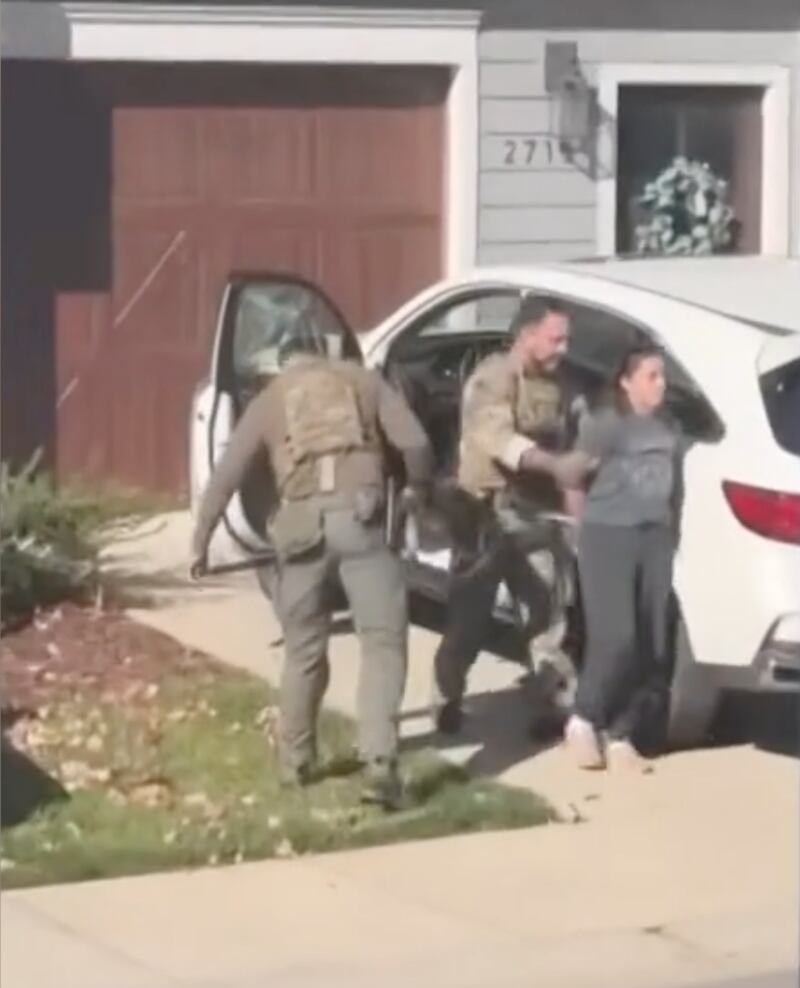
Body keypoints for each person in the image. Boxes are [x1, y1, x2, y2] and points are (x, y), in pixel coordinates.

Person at [191, 326, 434, 809]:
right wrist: (416, 491)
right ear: (325, 350)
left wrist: (201, 541)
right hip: (361, 522)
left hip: (300, 529)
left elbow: (228, 473)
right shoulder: (363, 381)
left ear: (283, 361)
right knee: (382, 643)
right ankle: (380, 765)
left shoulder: (271, 398)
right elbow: (417, 444)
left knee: (303, 650)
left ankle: (294, 763)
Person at [431, 294, 595, 738]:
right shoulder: (492, 379)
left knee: (546, 617)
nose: (563, 348)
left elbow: (573, 444)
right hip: (486, 517)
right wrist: (553, 465)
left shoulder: (563, 388)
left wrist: (574, 494)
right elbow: (497, 438)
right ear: (526, 336)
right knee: (468, 624)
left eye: (566, 340)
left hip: (537, 520)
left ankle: (549, 708)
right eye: (555, 339)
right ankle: (446, 699)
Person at [565, 344, 683, 772]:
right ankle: (583, 720)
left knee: (651, 644)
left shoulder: (669, 426)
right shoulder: (606, 424)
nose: (661, 384)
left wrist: (672, 533)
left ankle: (621, 736)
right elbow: (573, 476)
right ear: (627, 380)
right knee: (616, 637)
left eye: (663, 375)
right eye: (652, 375)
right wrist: (581, 529)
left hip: (654, 539)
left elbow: (676, 485)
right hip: (608, 537)